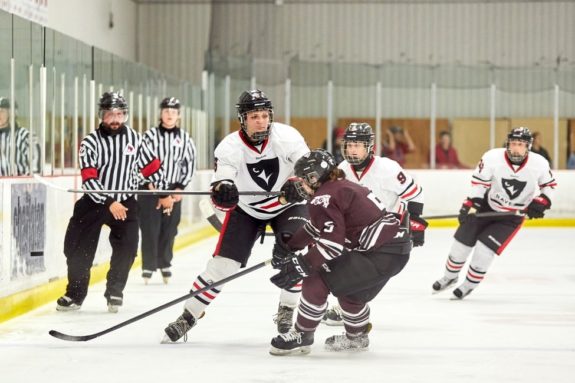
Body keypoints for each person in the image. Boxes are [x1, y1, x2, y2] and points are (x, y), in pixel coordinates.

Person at [162, 89, 310, 342]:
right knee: (223, 266)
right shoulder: (230, 146)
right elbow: (222, 182)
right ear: (242, 119)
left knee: (294, 255)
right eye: (254, 116)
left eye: (265, 115)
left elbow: (307, 167)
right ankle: (190, 314)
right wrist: (223, 190)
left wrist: (302, 182)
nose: (261, 121)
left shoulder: (287, 136)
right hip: (247, 209)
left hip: (287, 205)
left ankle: (287, 309)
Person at [267, 149, 412, 355]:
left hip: (380, 253)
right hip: (394, 250)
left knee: (316, 275)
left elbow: (331, 245)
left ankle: (302, 334)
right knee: (350, 293)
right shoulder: (337, 187)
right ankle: (357, 338)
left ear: (314, 177)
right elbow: (316, 228)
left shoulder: (323, 197)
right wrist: (290, 246)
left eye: (303, 179)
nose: (301, 184)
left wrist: (301, 265)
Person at [56, 92, 171, 313]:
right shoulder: (90, 142)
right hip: (94, 202)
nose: (115, 119)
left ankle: (115, 291)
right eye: (110, 114)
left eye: (120, 114)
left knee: (127, 249)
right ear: (102, 115)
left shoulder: (136, 139)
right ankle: (75, 295)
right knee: (77, 249)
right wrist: (109, 201)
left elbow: (153, 168)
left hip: (126, 202)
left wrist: (164, 194)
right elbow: (89, 178)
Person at [432, 127, 556, 299]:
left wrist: (541, 202)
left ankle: (468, 285)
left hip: (510, 217)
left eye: (520, 144)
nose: (516, 148)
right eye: (513, 143)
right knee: (460, 245)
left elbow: (549, 186)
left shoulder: (539, 163)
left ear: (528, 146)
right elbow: (480, 184)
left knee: (484, 251)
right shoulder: (492, 157)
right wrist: (469, 204)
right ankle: (449, 277)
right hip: (486, 206)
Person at [322, 122, 426, 325]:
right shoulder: (342, 169)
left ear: (369, 147)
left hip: (387, 236)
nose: (352, 150)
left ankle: (350, 308)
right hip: (358, 234)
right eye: (349, 145)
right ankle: (348, 306)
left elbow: (415, 194)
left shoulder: (387, 168)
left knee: (364, 282)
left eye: (357, 145)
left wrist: (415, 224)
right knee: (343, 271)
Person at [138, 97, 197, 284]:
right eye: (166, 111)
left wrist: (180, 187)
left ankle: (165, 263)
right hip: (149, 188)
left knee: (170, 228)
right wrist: (150, 184)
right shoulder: (148, 136)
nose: (170, 115)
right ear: (161, 113)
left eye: (173, 112)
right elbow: (139, 161)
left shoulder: (186, 138)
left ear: (178, 115)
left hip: (173, 188)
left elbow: (190, 164)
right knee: (149, 227)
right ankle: (148, 265)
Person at [0, 97, 31, 176]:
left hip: (19, 186)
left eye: (2, 111)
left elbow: (36, 162)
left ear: (11, 113)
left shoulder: (24, 135)